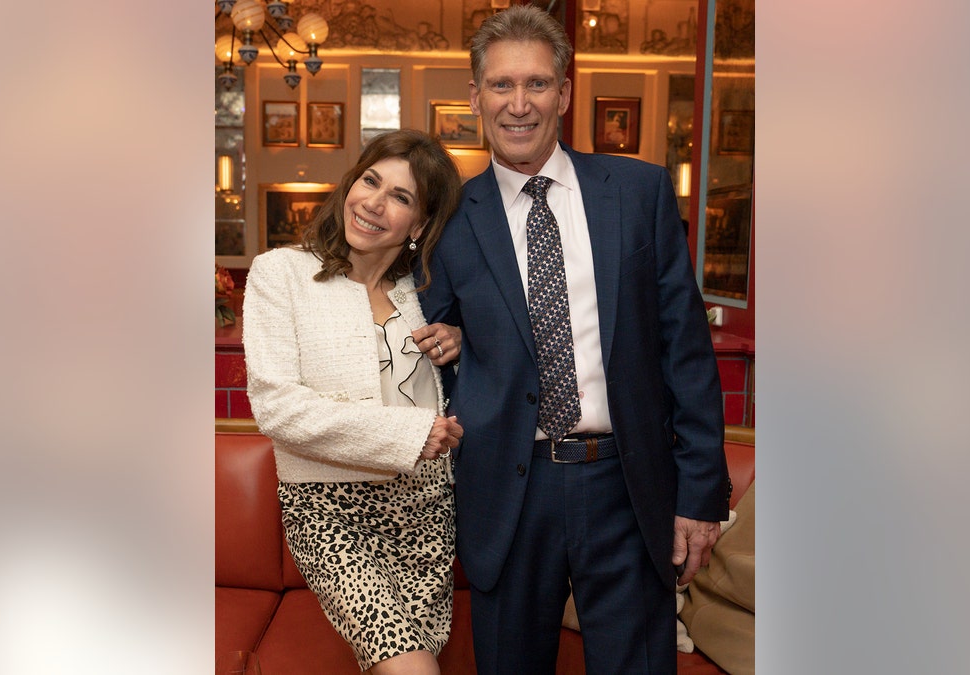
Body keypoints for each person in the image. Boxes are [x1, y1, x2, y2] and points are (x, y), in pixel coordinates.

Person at [418, 6, 729, 673]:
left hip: (628, 484)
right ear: (476, 97)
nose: (518, 103)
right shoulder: (449, 220)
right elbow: (417, 352)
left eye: (536, 84)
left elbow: (685, 350)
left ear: (563, 92)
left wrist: (700, 496)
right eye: (501, 85)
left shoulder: (639, 191)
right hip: (507, 493)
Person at [242, 129, 465, 675]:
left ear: (419, 224)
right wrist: (410, 435)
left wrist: (459, 347)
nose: (373, 202)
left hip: (427, 512)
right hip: (328, 510)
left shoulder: (425, 292)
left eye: (401, 197)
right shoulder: (281, 273)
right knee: (409, 668)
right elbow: (277, 407)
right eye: (370, 180)